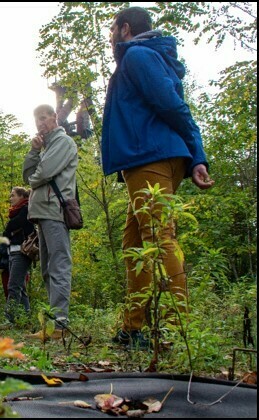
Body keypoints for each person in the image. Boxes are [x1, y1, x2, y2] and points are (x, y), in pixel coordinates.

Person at [102, 6, 215, 348]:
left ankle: (177, 329)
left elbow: (173, 105)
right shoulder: (148, 56)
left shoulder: (137, 55)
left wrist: (199, 154)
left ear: (124, 29)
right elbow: (172, 104)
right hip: (151, 155)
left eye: (112, 30)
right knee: (134, 244)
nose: (110, 37)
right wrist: (195, 155)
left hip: (149, 156)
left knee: (159, 237)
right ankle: (133, 329)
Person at [23, 104, 78, 338]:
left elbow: (40, 176)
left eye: (44, 119)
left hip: (55, 211)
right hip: (42, 213)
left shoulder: (63, 143)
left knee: (58, 265)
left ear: (55, 118)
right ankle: (54, 324)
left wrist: (36, 177)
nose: (40, 124)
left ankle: (60, 325)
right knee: (47, 269)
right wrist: (34, 152)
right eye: (37, 121)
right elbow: (28, 176)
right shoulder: (46, 148)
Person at [0, 187, 35, 327]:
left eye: (13, 195)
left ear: (21, 196)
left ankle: (10, 319)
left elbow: (12, 226)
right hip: (12, 252)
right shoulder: (16, 212)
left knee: (13, 286)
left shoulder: (26, 209)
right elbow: (7, 232)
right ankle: (26, 318)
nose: (10, 198)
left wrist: (9, 230)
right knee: (20, 288)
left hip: (22, 252)